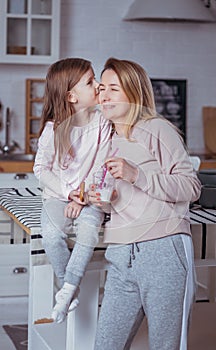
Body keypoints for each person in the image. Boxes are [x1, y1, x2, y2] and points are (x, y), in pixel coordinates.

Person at [88, 57, 201, 350]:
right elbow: (119, 201)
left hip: (164, 252)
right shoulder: (107, 139)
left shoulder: (158, 130)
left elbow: (191, 186)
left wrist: (137, 174)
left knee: (167, 345)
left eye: (114, 88)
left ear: (134, 92)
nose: (104, 95)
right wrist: (101, 199)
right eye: (102, 88)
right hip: (122, 255)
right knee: (106, 344)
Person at [33, 58, 111, 323]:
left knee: (88, 231)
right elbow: (41, 169)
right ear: (71, 97)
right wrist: (70, 194)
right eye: (91, 82)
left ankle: (67, 290)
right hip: (58, 196)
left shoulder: (102, 124)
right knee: (52, 235)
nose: (99, 86)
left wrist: (82, 196)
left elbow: (101, 166)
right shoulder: (52, 130)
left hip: (90, 197)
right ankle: (69, 283)